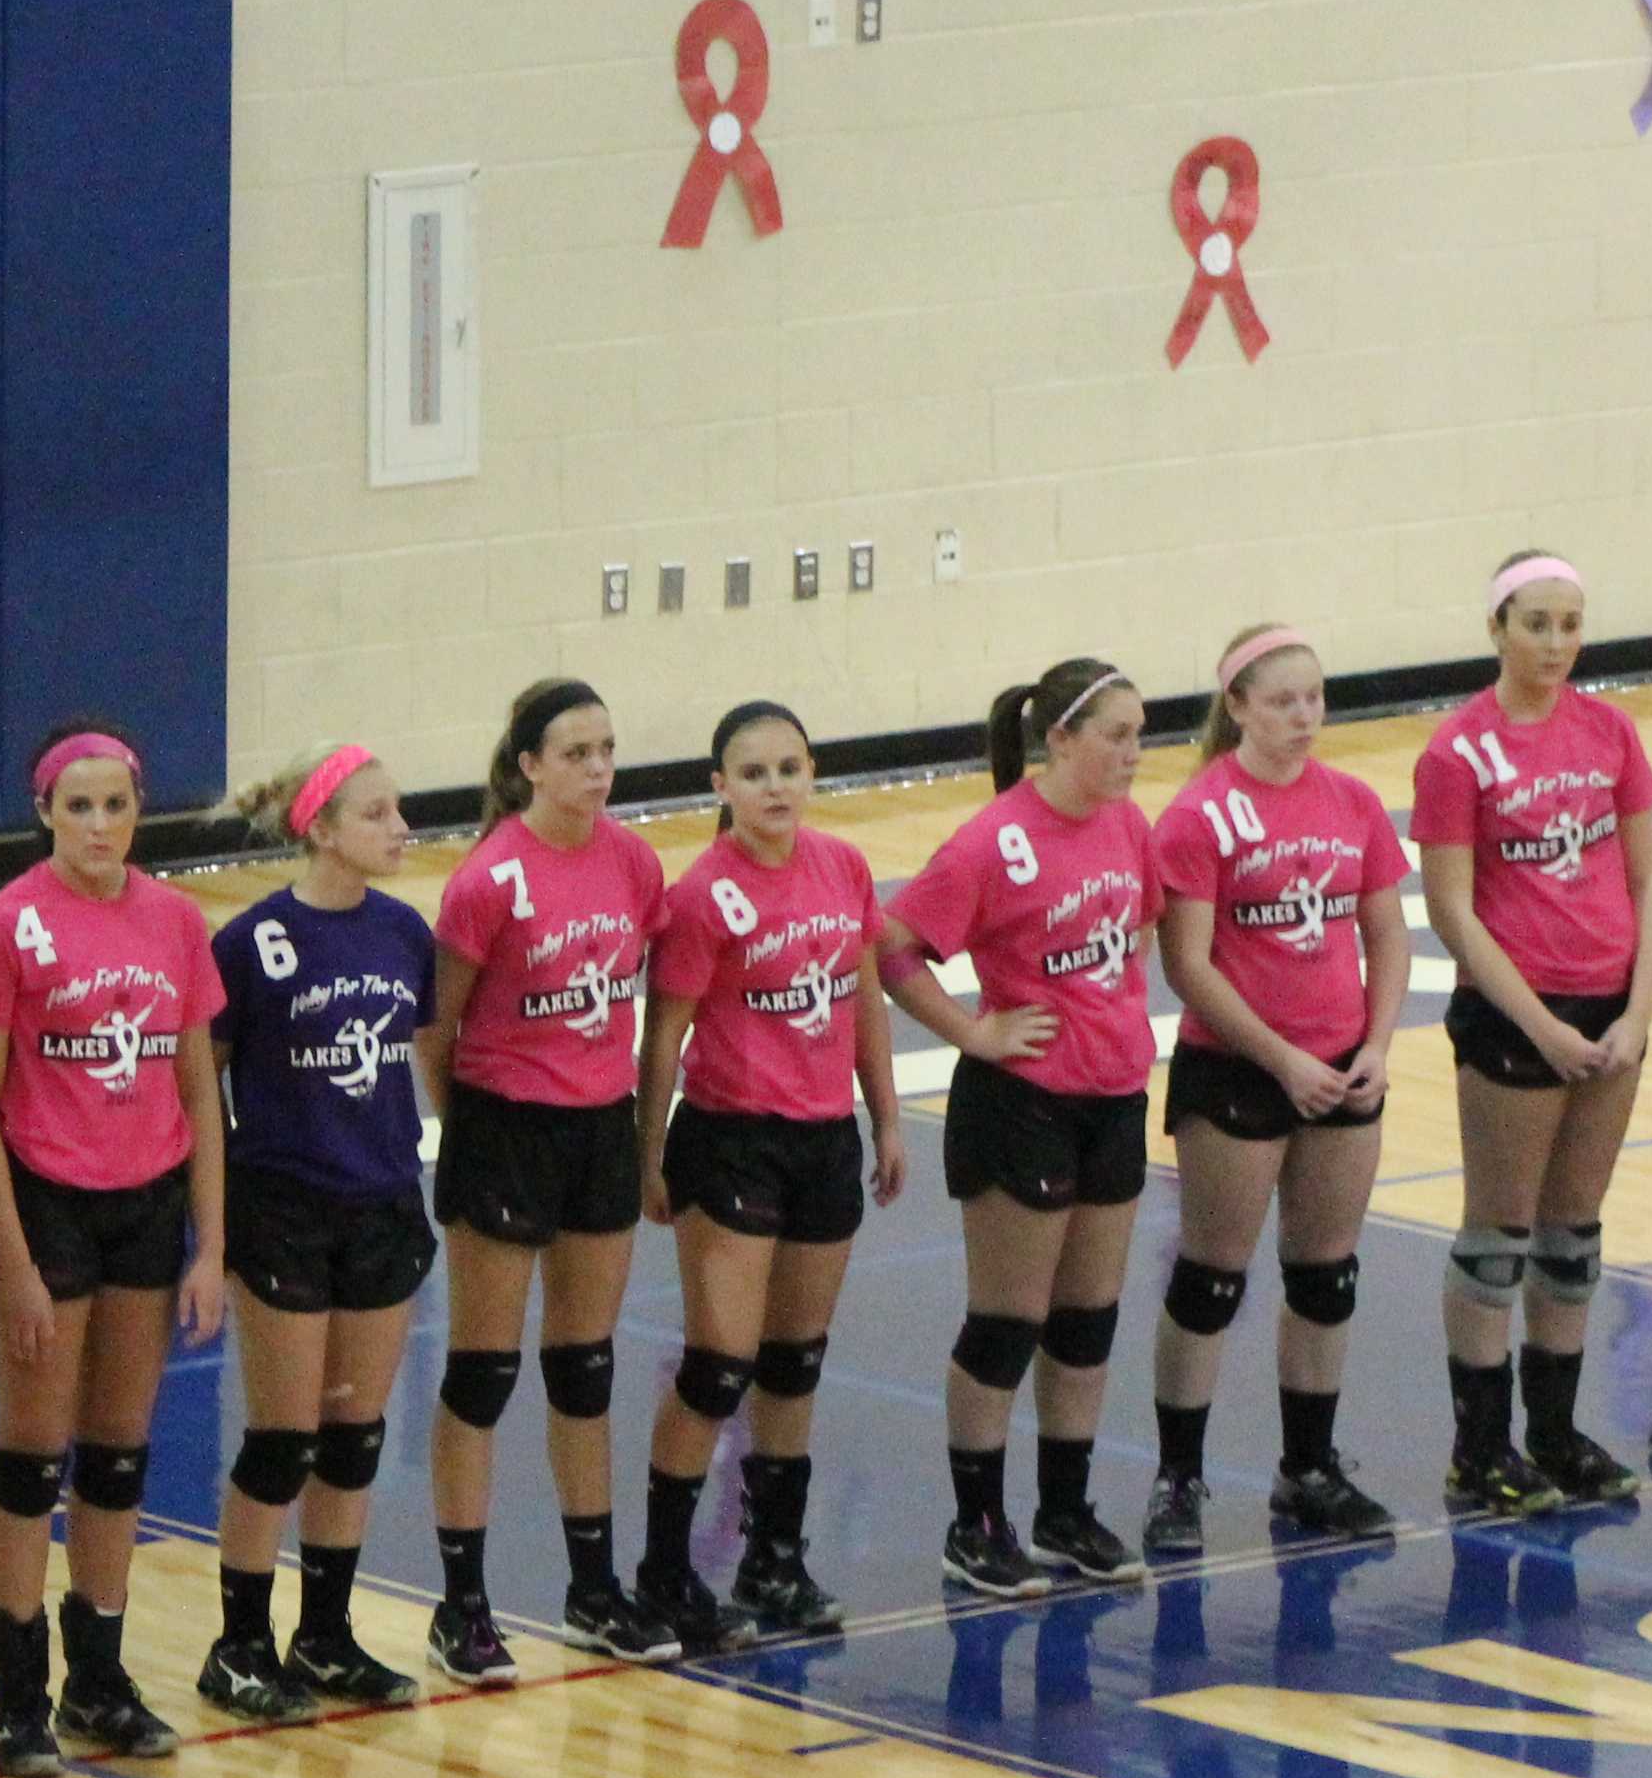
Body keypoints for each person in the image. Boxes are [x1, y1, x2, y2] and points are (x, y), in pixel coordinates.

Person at [0, 720, 230, 1776]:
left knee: (117, 1450)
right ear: (46, 811)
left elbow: (200, 1087)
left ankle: (98, 1676)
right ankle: (18, 1694)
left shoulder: (175, 922)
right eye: (80, 806)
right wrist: (13, 1262)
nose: (100, 825)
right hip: (44, 1202)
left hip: (148, 1203)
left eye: (117, 806)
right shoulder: (3, 928)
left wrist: (210, 1247)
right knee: (32, 1453)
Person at [878, 658, 1163, 1595]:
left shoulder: (1128, 824)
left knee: (1087, 1323)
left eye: (1140, 731)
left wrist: (1113, 1016)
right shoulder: (995, 843)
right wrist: (973, 1030)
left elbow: (1139, 931)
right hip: (1022, 1105)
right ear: (1063, 740)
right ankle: (977, 1524)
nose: (1135, 751)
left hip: (1114, 1094)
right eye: (1118, 734)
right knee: (1009, 1323)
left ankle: (1066, 1510)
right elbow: (894, 946)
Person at [420, 680, 678, 1677]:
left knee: (584, 1364)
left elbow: (641, 997)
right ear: (529, 764)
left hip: (598, 1129)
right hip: (505, 1129)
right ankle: (463, 1603)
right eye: (575, 751)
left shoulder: (633, 862)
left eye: (607, 748)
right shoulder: (490, 880)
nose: (598, 768)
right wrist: (476, 1130)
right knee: (482, 1373)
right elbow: (435, 1027)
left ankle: (592, 1588)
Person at [634, 701, 902, 1641]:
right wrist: (651, 1151)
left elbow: (863, 995)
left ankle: (775, 1562)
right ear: (721, 788)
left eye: (790, 768)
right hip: (731, 1139)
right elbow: (663, 1033)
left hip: (823, 1139)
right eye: (754, 773)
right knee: (718, 1366)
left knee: (795, 1366)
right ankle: (665, 1572)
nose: (776, 786)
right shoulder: (706, 894)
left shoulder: (842, 867)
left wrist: (887, 1119)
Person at [1145, 626, 1412, 1558]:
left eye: (1315, 698)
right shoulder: (1202, 814)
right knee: (1213, 1277)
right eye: (1284, 701)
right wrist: (1277, 1060)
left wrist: (1375, 1042)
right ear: (1240, 708)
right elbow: (1187, 963)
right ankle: (1178, 1477)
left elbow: (1387, 934)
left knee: (1325, 1275)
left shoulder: (1352, 803)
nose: (1305, 717)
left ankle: (1309, 1468)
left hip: (1341, 1064)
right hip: (1238, 1071)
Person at [1412, 554, 1652, 1513]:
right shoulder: (1458, 753)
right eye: (1536, 624)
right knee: (1499, 1234)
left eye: (1570, 624)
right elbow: (1452, 910)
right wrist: (1542, 1026)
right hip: (1518, 1017)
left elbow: (1649, 880)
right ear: (1497, 629)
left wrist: (1637, 1014)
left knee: (1574, 1236)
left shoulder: (1610, 732)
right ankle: (1480, 1449)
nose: (1556, 643)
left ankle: (1554, 1436)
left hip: (1610, 1011)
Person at [200, 743, 434, 1717]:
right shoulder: (252, 944)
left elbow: (417, 1058)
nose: (400, 829)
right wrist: (210, 1232)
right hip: (283, 1205)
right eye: (377, 813)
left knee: (353, 1437)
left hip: (381, 1198)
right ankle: (240, 1646)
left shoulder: (404, 933)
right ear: (322, 828)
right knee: (283, 1437)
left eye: (398, 810)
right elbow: (202, 1087)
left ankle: (325, 1635)